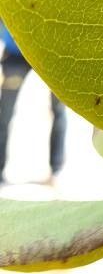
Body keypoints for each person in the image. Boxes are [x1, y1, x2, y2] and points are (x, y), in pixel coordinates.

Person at [0, 21, 66, 184]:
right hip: (16, 50)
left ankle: (56, 171)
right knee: (4, 113)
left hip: (53, 51)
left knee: (59, 110)